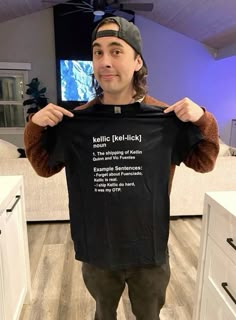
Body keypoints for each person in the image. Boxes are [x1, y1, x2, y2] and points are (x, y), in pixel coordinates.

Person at [24, 16, 219, 320]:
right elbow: (44, 167)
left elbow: (205, 162)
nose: (105, 61)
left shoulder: (165, 119)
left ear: (138, 60)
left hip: (149, 251)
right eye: (97, 52)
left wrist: (203, 118)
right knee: (104, 315)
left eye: (116, 51)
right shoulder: (77, 122)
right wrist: (34, 128)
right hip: (99, 251)